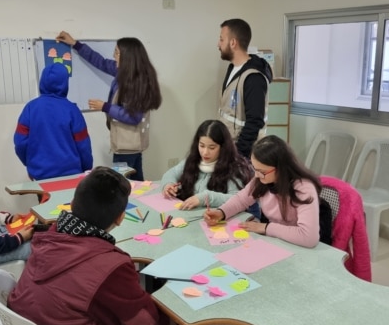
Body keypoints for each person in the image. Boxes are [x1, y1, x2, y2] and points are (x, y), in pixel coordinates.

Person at [8, 167, 194, 325]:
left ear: (72, 204)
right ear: (120, 218)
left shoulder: (49, 236)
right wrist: (171, 321)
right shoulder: (111, 266)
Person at [56, 31, 162, 181]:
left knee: (120, 186)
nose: (114, 56)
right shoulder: (124, 73)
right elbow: (101, 62)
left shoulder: (136, 83)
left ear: (128, 58)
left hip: (127, 147)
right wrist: (76, 44)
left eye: (117, 53)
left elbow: (133, 117)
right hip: (129, 145)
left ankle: (129, 205)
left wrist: (105, 106)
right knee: (136, 183)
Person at [204, 135, 325, 248]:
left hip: (299, 246)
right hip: (278, 242)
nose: (256, 175)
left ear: (280, 168)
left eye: (262, 171)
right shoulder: (262, 179)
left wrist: (266, 228)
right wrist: (221, 212)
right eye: (254, 168)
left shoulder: (304, 188)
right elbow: (241, 200)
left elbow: (309, 237)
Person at [14, 63, 93, 181]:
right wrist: (87, 168)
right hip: (71, 175)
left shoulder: (30, 108)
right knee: (70, 200)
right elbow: (83, 145)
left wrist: (30, 164)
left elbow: (20, 142)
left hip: (40, 174)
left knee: (46, 200)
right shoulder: (72, 110)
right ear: (65, 83)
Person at [161, 120, 252, 210]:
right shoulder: (193, 160)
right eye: (202, 146)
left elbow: (237, 200)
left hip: (217, 219)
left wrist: (205, 198)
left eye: (212, 148)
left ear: (223, 147)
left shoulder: (234, 167)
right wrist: (168, 185)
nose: (205, 153)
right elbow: (172, 173)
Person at [217, 18, 273, 159]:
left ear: (233, 42)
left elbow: (254, 122)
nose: (218, 44)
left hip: (244, 155)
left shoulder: (254, 78)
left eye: (221, 39)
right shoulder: (233, 69)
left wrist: (238, 155)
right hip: (229, 147)